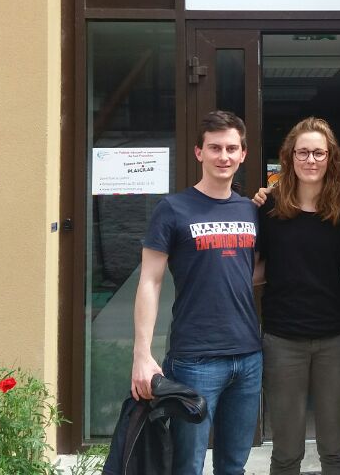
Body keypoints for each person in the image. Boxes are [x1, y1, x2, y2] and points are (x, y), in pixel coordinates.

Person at [131, 110, 262, 475]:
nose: (224, 156)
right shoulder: (173, 209)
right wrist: (142, 354)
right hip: (195, 359)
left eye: (231, 148)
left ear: (243, 154)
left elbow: (250, 270)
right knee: (187, 466)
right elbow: (150, 281)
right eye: (215, 148)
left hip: (248, 356)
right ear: (199, 152)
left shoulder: (250, 210)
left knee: (234, 466)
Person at [256, 117, 340, 475]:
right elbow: (254, 267)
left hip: (337, 338)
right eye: (302, 152)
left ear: (331, 158)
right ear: (289, 157)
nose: (310, 160)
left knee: (335, 447)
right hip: (283, 339)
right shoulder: (268, 208)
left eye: (318, 153)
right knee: (286, 449)